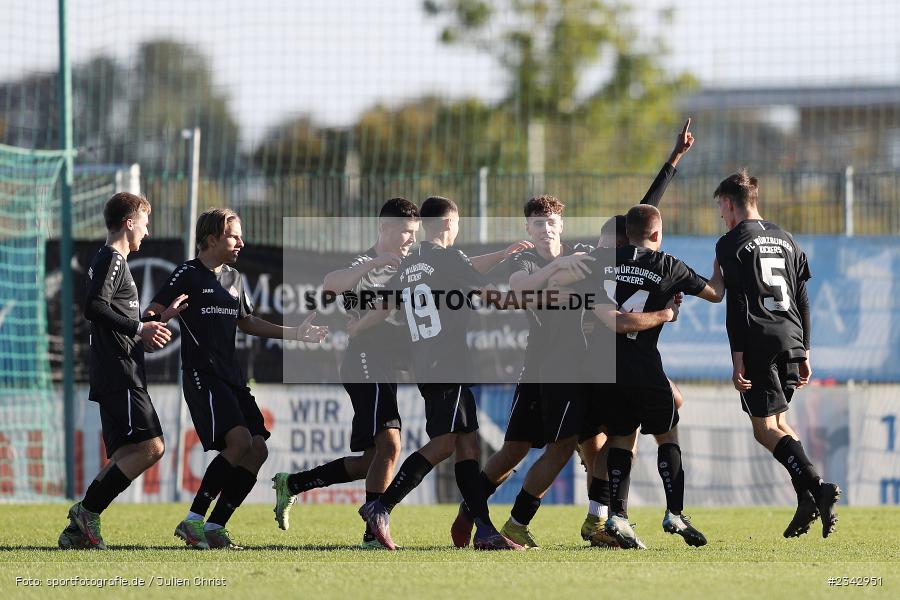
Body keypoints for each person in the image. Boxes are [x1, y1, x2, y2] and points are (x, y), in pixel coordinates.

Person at [145, 208, 328, 550]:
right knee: (240, 441)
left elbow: (247, 322)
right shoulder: (187, 273)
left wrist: (297, 334)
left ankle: (215, 526)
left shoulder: (233, 278)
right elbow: (153, 311)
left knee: (257, 448)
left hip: (232, 377)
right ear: (211, 239)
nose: (241, 242)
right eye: (234, 236)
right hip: (203, 375)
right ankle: (193, 520)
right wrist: (157, 320)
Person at [358, 196, 527, 551]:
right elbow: (489, 293)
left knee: (467, 444)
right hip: (446, 361)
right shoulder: (449, 259)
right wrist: (533, 299)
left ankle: (484, 529)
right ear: (450, 223)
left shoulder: (412, 262)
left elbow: (384, 306)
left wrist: (355, 328)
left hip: (428, 360)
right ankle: (381, 506)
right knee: (445, 443)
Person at [556, 204, 724, 549]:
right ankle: (674, 512)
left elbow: (561, 282)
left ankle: (616, 515)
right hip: (644, 366)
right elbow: (715, 293)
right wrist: (719, 266)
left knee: (621, 437)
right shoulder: (670, 266)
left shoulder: (603, 261)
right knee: (668, 434)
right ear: (658, 235)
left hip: (605, 370)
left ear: (626, 234)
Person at [272, 198, 419, 549]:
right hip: (364, 358)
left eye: (414, 233)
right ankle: (373, 533)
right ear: (384, 229)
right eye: (404, 232)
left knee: (372, 459)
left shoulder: (413, 262)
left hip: (386, 363)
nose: (410, 239)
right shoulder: (366, 262)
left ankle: (293, 484)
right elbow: (331, 282)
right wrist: (377, 261)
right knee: (390, 444)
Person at [714, 170, 840, 538]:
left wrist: (737, 358)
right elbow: (802, 297)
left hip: (758, 340)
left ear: (730, 204)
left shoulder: (730, 243)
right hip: (791, 336)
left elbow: (736, 304)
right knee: (781, 422)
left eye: (721, 207)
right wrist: (805, 350)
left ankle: (818, 489)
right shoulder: (786, 238)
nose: (721, 215)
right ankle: (805, 501)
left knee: (764, 428)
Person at [60, 192, 186, 549]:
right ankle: (87, 512)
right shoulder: (113, 258)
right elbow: (94, 307)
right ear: (129, 223)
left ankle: (78, 530)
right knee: (151, 447)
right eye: (144, 223)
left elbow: (115, 314)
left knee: (127, 453)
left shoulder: (112, 260)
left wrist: (155, 319)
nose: (147, 232)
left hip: (118, 369)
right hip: (120, 372)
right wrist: (138, 329)